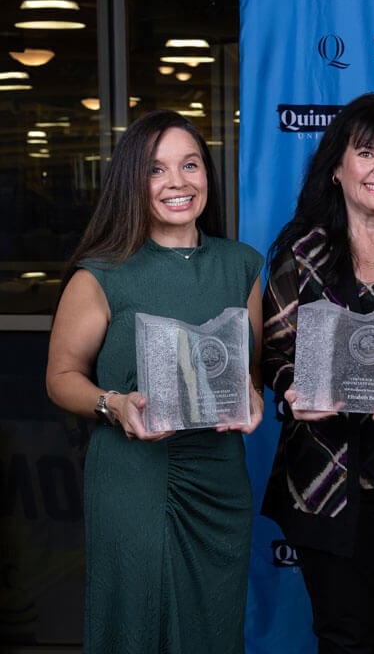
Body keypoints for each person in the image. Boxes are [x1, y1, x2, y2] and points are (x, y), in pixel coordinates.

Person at [45, 110, 264, 652]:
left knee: (213, 628)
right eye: (156, 170)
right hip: (133, 479)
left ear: (207, 175)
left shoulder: (241, 266)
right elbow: (60, 377)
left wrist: (254, 397)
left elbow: (248, 371)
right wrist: (115, 405)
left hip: (219, 479)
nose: (178, 183)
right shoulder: (103, 273)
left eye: (190, 165)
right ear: (132, 183)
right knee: (136, 628)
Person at [259, 93, 374, 652]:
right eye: (366, 153)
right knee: (346, 640)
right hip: (328, 483)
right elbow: (273, 354)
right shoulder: (303, 253)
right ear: (337, 167)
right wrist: (292, 391)